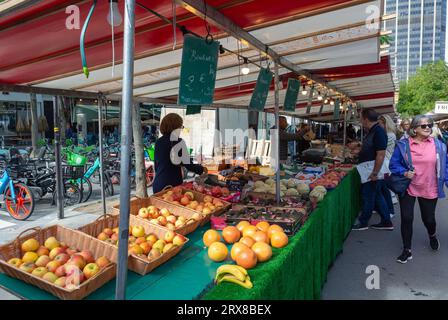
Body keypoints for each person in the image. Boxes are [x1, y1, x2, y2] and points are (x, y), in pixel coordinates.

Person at [389, 115, 448, 263]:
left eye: (430, 124)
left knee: (428, 219)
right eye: (423, 126)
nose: (428, 127)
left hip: (430, 186)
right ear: (414, 129)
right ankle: (407, 250)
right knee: (407, 218)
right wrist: (404, 172)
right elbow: (393, 164)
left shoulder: (438, 145)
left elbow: (445, 166)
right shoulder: (403, 145)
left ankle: (432, 234)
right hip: (408, 186)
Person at [353, 109, 393, 231]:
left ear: (365, 119)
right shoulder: (374, 130)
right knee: (377, 196)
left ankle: (363, 222)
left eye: (361, 118)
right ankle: (387, 222)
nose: (360, 120)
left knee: (368, 196)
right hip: (370, 169)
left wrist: (375, 173)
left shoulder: (378, 131)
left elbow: (380, 154)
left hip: (372, 171)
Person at [152, 113, 207, 193]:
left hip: (158, 183)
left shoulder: (158, 142)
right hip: (172, 185)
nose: (181, 129)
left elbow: (157, 165)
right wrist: (202, 169)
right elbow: (188, 165)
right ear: (175, 127)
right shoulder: (178, 142)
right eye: (180, 127)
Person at [378, 114, 397, 215]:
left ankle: (389, 210)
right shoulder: (388, 134)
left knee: (384, 186)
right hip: (385, 162)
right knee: (384, 186)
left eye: (380, 123)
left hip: (386, 162)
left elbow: (381, 149)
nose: (379, 125)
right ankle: (387, 208)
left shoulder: (389, 135)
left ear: (385, 123)